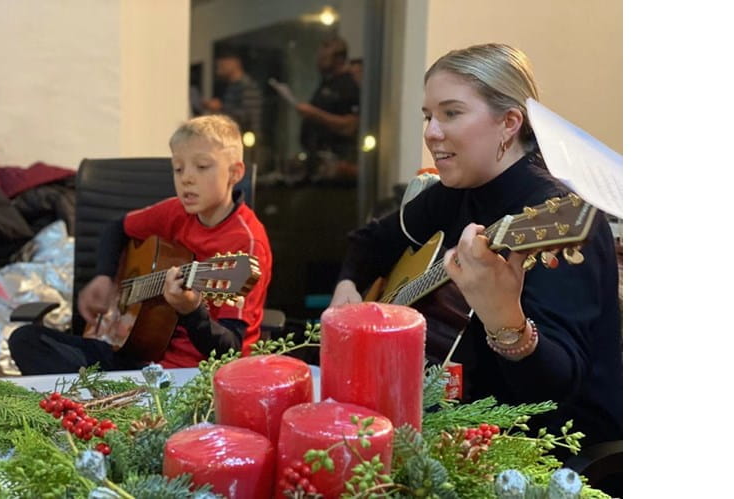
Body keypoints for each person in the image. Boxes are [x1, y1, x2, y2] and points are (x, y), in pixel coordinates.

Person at [329, 43, 622, 449]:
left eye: (451, 113)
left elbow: (554, 395)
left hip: (553, 447)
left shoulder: (560, 219)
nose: (432, 132)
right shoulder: (456, 190)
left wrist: (505, 319)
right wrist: (349, 285)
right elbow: (370, 241)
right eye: (429, 116)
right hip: (456, 418)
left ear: (509, 122)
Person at [9, 115, 273, 373]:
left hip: (190, 374)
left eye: (202, 167)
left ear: (235, 173)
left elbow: (230, 350)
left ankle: (104, 403)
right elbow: (117, 228)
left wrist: (192, 311)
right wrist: (104, 277)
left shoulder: (244, 246)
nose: (187, 179)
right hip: (132, 355)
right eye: (178, 168)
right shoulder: (177, 211)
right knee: (25, 340)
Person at [297, 36, 360, 171]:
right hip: (316, 159)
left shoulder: (348, 86)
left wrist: (314, 114)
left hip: (336, 161)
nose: (319, 61)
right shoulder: (326, 84)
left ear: (339, 59)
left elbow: (350, 125)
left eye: (324, 57)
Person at [203, 52, 263, 138]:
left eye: (224, 60)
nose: (220, 64)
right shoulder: (229, 85)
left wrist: (220, 107)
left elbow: (247, 116)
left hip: (244, 137)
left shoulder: (247, 86)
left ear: (235, 62)